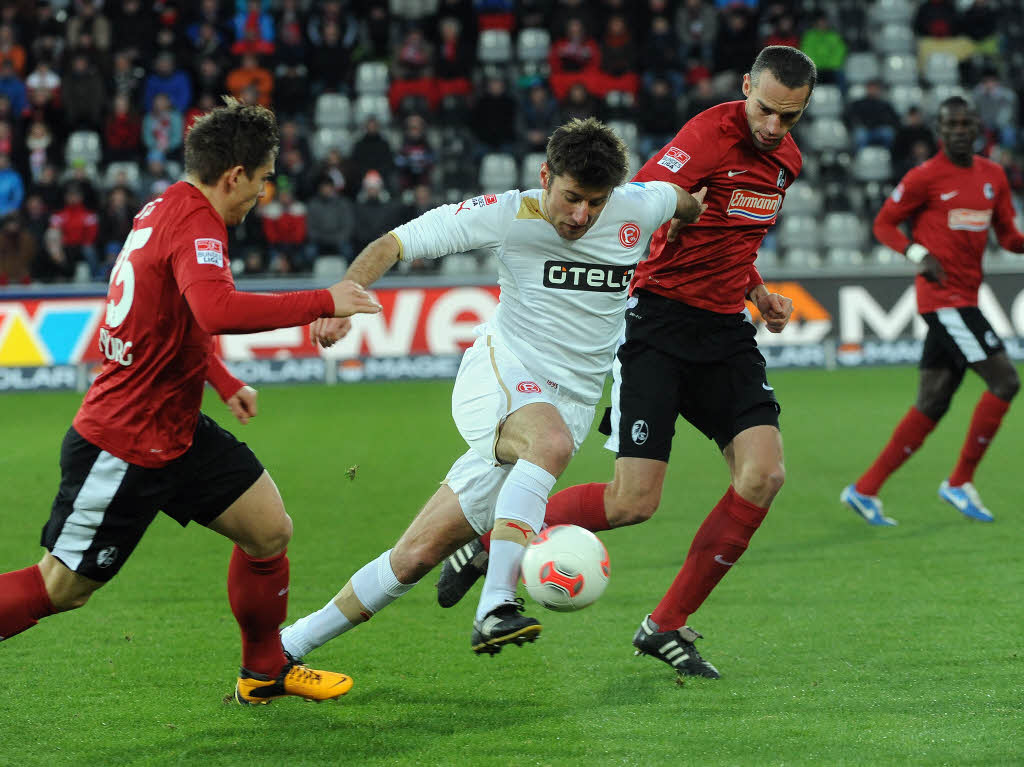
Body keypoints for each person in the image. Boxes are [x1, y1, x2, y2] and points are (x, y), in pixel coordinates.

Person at [436, 46, 815, 680]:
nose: (775, 128)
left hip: (724, 333)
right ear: (746, 86)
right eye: (767, 110)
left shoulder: (787, 163)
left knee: (764, 476)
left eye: (791, 117)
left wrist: (756, 290)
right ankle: (492, 537)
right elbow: (640, 201)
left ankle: (665, 625)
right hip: (658, 325)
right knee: (633, 503)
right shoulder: (706, 136)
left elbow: (732, 238)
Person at [277, 117, 707, 662]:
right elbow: (395, 242)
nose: (582, 216)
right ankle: (496, 606)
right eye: (572, 198)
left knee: (415, 555)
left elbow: (686, 200)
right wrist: (345, 293)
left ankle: (286, 648)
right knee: (547, 443)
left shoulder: (639, 206)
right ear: (546, 176)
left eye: (595, 204)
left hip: (568, 406)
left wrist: (690, 230)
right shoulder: (508, 213)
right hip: (503, 371)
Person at [0, 97, 382, 706]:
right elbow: (216, 309)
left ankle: (263, 672)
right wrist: (322, 299)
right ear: (234, 176)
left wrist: (224, 384)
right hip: (123, 441)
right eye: (260, 183)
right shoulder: (198, 224)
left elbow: (167, 319)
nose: (262, 197)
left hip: (173, 427)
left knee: (267, 531)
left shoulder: (162, 208)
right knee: (62, 589)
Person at [841, 97, 1024, 527]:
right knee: (1005, 380)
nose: (960, 129)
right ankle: (960, 481)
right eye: (951, 124)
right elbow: (884, 224)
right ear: (940, 131)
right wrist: (916, 251)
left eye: (966, 122)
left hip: (966, 299)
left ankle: (864, 489)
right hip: (943, 301)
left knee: (934, 400)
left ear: (977, 127)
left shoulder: (992, 176)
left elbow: (1009, 236)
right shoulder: (924, 177)